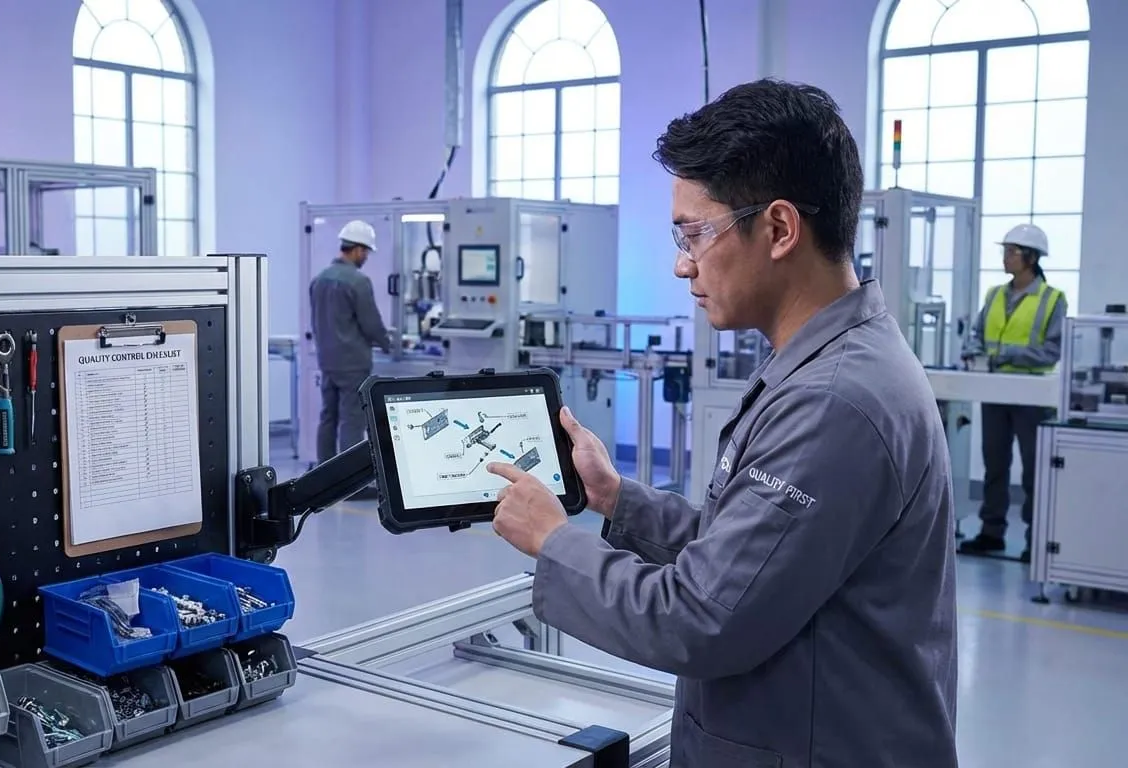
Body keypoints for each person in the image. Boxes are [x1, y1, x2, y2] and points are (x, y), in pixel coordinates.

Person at [485, 79, 959, 768]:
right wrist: (616, 498)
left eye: (694, 234)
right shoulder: (826, 366)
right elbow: (745, 556)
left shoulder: (834, 401)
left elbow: (700, 618)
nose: (682, 264)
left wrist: (553, 541)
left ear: (779, 229)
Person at [958, 224, 1066, 562]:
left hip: (1033, 395)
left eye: (1011, 251)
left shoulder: (1052, 299)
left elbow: (1051, 352)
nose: (1005, 257)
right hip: (994, 391)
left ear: (1031, 258)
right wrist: (973, 351)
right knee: (995, 464)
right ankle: (992, 533)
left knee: (1036, 471)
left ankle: (1038, 539)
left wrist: (1001, 357)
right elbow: (976, 334)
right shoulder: (994, 295)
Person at [309, 220, 392, 464]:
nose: (365, 256)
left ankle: (322, 475)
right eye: (365, 251)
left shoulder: (319, 279)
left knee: (328, 417)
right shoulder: (358, 281)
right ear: (357, 249)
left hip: (327, 361)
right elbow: (371, 323)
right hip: (353, 364)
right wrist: (390, 344)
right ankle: (350, 484)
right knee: (352, 421)